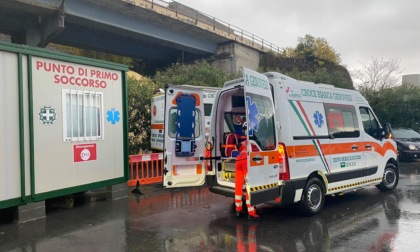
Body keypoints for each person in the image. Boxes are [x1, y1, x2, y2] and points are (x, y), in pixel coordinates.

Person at [234, 139, 259, 220]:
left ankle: (238, 210)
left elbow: (238, 145)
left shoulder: (247, 140)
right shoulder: (257, 139)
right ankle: (251, 213)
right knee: (249, 186)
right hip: (246, 160)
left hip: (239, 159)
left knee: (238, 185)